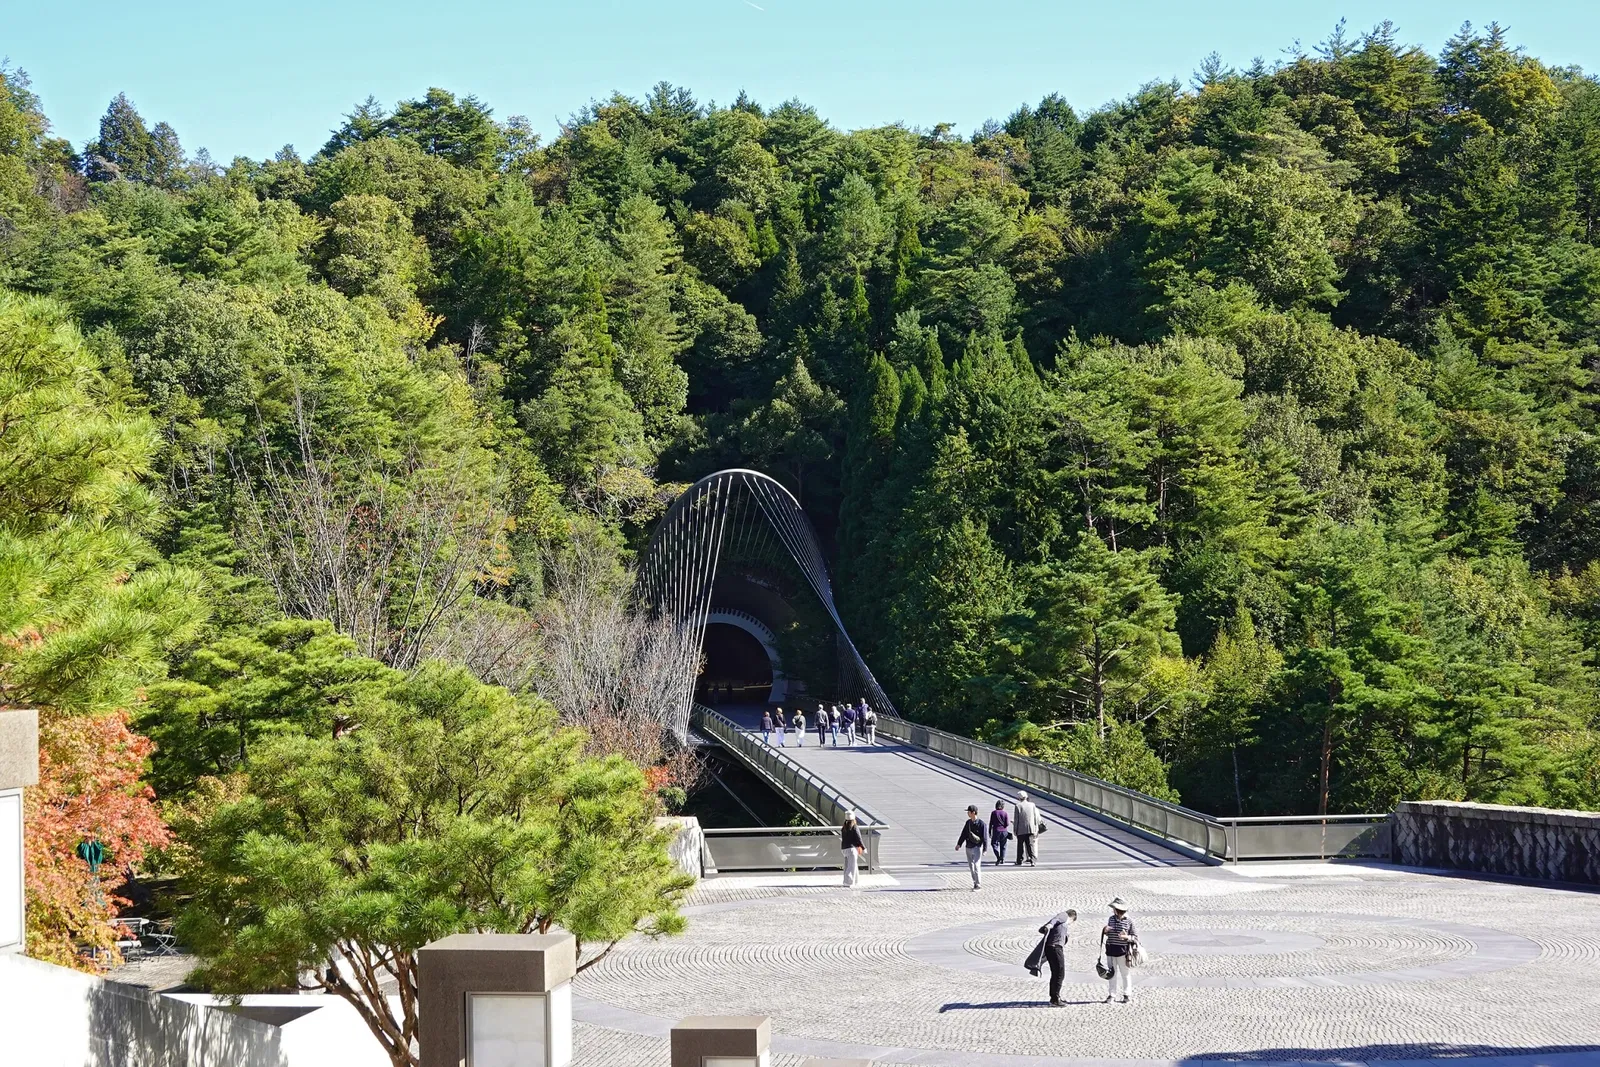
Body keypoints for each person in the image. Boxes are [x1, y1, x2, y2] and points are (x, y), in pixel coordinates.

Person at [1100, 897, 1139, 1003]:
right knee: (1111, 974)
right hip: (1111, 950)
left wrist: (1126, 937)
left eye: (1114, 909)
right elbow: (1107, 933)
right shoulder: (1111, 919)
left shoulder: (1129, 921)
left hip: (1123, 951)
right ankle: (1112, 995)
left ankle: (1127, 995)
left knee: (1125, 974)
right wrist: (1105, 930)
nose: (1113, 910)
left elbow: (1135, 937)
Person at [1039, 908, 1078, 1006]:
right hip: (1055, 948)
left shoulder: (1061, 924)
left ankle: (1054, 997)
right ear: (1072, 918)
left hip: (1051, 949)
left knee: (1056, 973)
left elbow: (1042, 930)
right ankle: (1055, 999)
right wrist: (1050, 925)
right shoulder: (1064, 916)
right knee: (1060, 973)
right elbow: (1055, 919)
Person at [955, 804, 988, 890]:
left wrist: (985, 849)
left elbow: (985, 837)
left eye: (969, 812)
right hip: (968, 847)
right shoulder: (968, 823)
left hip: (977, 847)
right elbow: (963, 834)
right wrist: (959, 844)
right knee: (971, 866)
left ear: (973, 813)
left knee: (977, 865)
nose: (968, 814)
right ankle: (974, 882)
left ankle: (978, 884)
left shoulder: (982, 824)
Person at [1013, 790, 1040, 866]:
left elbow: (1016, 819)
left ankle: (1019, 860)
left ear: (1019, 798)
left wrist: (1015, 830)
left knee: (1020, 845)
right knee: (1030, 845)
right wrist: (1035, 828)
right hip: (1030, 828)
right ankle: (1033, 860)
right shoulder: (1032, 805)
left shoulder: (1018, 806)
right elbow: (1035, 817)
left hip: (1021, 829)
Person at [840, 811, 865, 888]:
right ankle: (849, 882)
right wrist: (863, 847)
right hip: (852, 849)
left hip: (844, 848)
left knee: (848, 865)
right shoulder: (854, 827)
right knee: (852, 866)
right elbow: (859, 838)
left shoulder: (844, 828)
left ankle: (855, 881)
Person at [988, 799, 1011, 866]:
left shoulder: (994, 813)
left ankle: (998, 857)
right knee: (1003, 845)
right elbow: (1007, 823)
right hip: (1004, 831)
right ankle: (1002, 859)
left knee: (994, 844)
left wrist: (989, 831)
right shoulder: (1005, 813)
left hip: (996, 830)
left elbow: (991, 823)